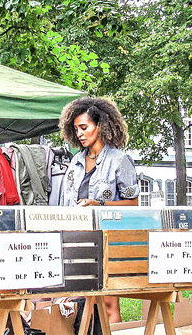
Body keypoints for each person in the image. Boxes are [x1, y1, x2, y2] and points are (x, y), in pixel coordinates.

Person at [58, 96, 139, 322]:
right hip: (77, 240)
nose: (80, 133)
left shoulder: (119, 161)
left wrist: (99, 205)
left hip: (107, 240)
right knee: (83, 302)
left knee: (109, 303)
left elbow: (133, 204)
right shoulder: (75, 162)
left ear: (100, 126)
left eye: (84, 127)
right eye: (76, 129)